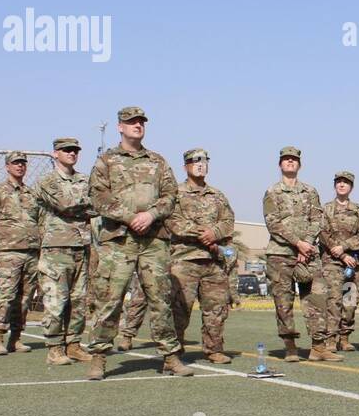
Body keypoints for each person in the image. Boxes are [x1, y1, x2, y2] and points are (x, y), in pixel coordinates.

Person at [82, 106, 190, 379]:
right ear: (120, 126)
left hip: (153, 240)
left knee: (160, 299)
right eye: (131, 122)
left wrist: (151, 214)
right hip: (119, 239)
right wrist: (130, 217)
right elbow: (98, 197)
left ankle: (169, 356)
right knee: (110, 298)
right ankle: (98, 356)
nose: (137, 125)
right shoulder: (106, 161)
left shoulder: (157, 161)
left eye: (141, 122)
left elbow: (170, 195)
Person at [262, 146, 334, 362]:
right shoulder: (272, 192)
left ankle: (318, 347)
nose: (290, 162)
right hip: (280, 254)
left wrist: (308, 244)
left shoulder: (310, 192)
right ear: (280, 164)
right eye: (286, 159)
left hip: (309, 254)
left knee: (317, 299)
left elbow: (317, 219)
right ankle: (290, 346)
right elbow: (273, 223)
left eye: (294, 159)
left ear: (299, 165)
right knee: (283, 301)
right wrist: (297, 244)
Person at [167, 148, 236, 363]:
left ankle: (214, 349)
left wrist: (214, 234)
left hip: (213, 261)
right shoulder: (174, 193)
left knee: (216, 310)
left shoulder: (217, 195)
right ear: (185, 166)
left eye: (204, 161)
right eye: (195, 161)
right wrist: (202, 234)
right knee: (180, 310)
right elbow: (173, 221)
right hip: (184, 259)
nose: (200, 164)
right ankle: (173, 352)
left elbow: (228, 221)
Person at [34, 137, 94, 366]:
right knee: (56, 301)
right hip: (55, 248)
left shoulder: (84, 179)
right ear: (55, 153)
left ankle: (74, 344)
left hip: (81, 245)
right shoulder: (47, 180)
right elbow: (65, 203)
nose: (72, 153)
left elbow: (97, 205)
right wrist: (84, 206)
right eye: (67, 150)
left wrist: (85, 206)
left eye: (75, 150)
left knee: (79, 301)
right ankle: (54, 348)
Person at [0, 152, 41, 354]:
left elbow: (39, 221)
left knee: (25, 298)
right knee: (5, 295)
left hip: (31, 252)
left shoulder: (31, 193)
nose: (20, 166)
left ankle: (16, 338)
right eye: (16, 163)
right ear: (7, 166)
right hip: (8, 252)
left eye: (23, 163)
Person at [319, 171, 359, 356]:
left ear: (351, 187)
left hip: (353, 263)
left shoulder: (358, 210)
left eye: (345, 182)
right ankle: (331, 338)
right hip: (332, 262)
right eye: (338, 182)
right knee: (334, 301)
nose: (341, 185)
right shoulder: (326, 209)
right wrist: (339, 253)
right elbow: (322, 233)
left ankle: (345, 337)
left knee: (350, 301)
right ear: (334, 185)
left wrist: (345, 248)